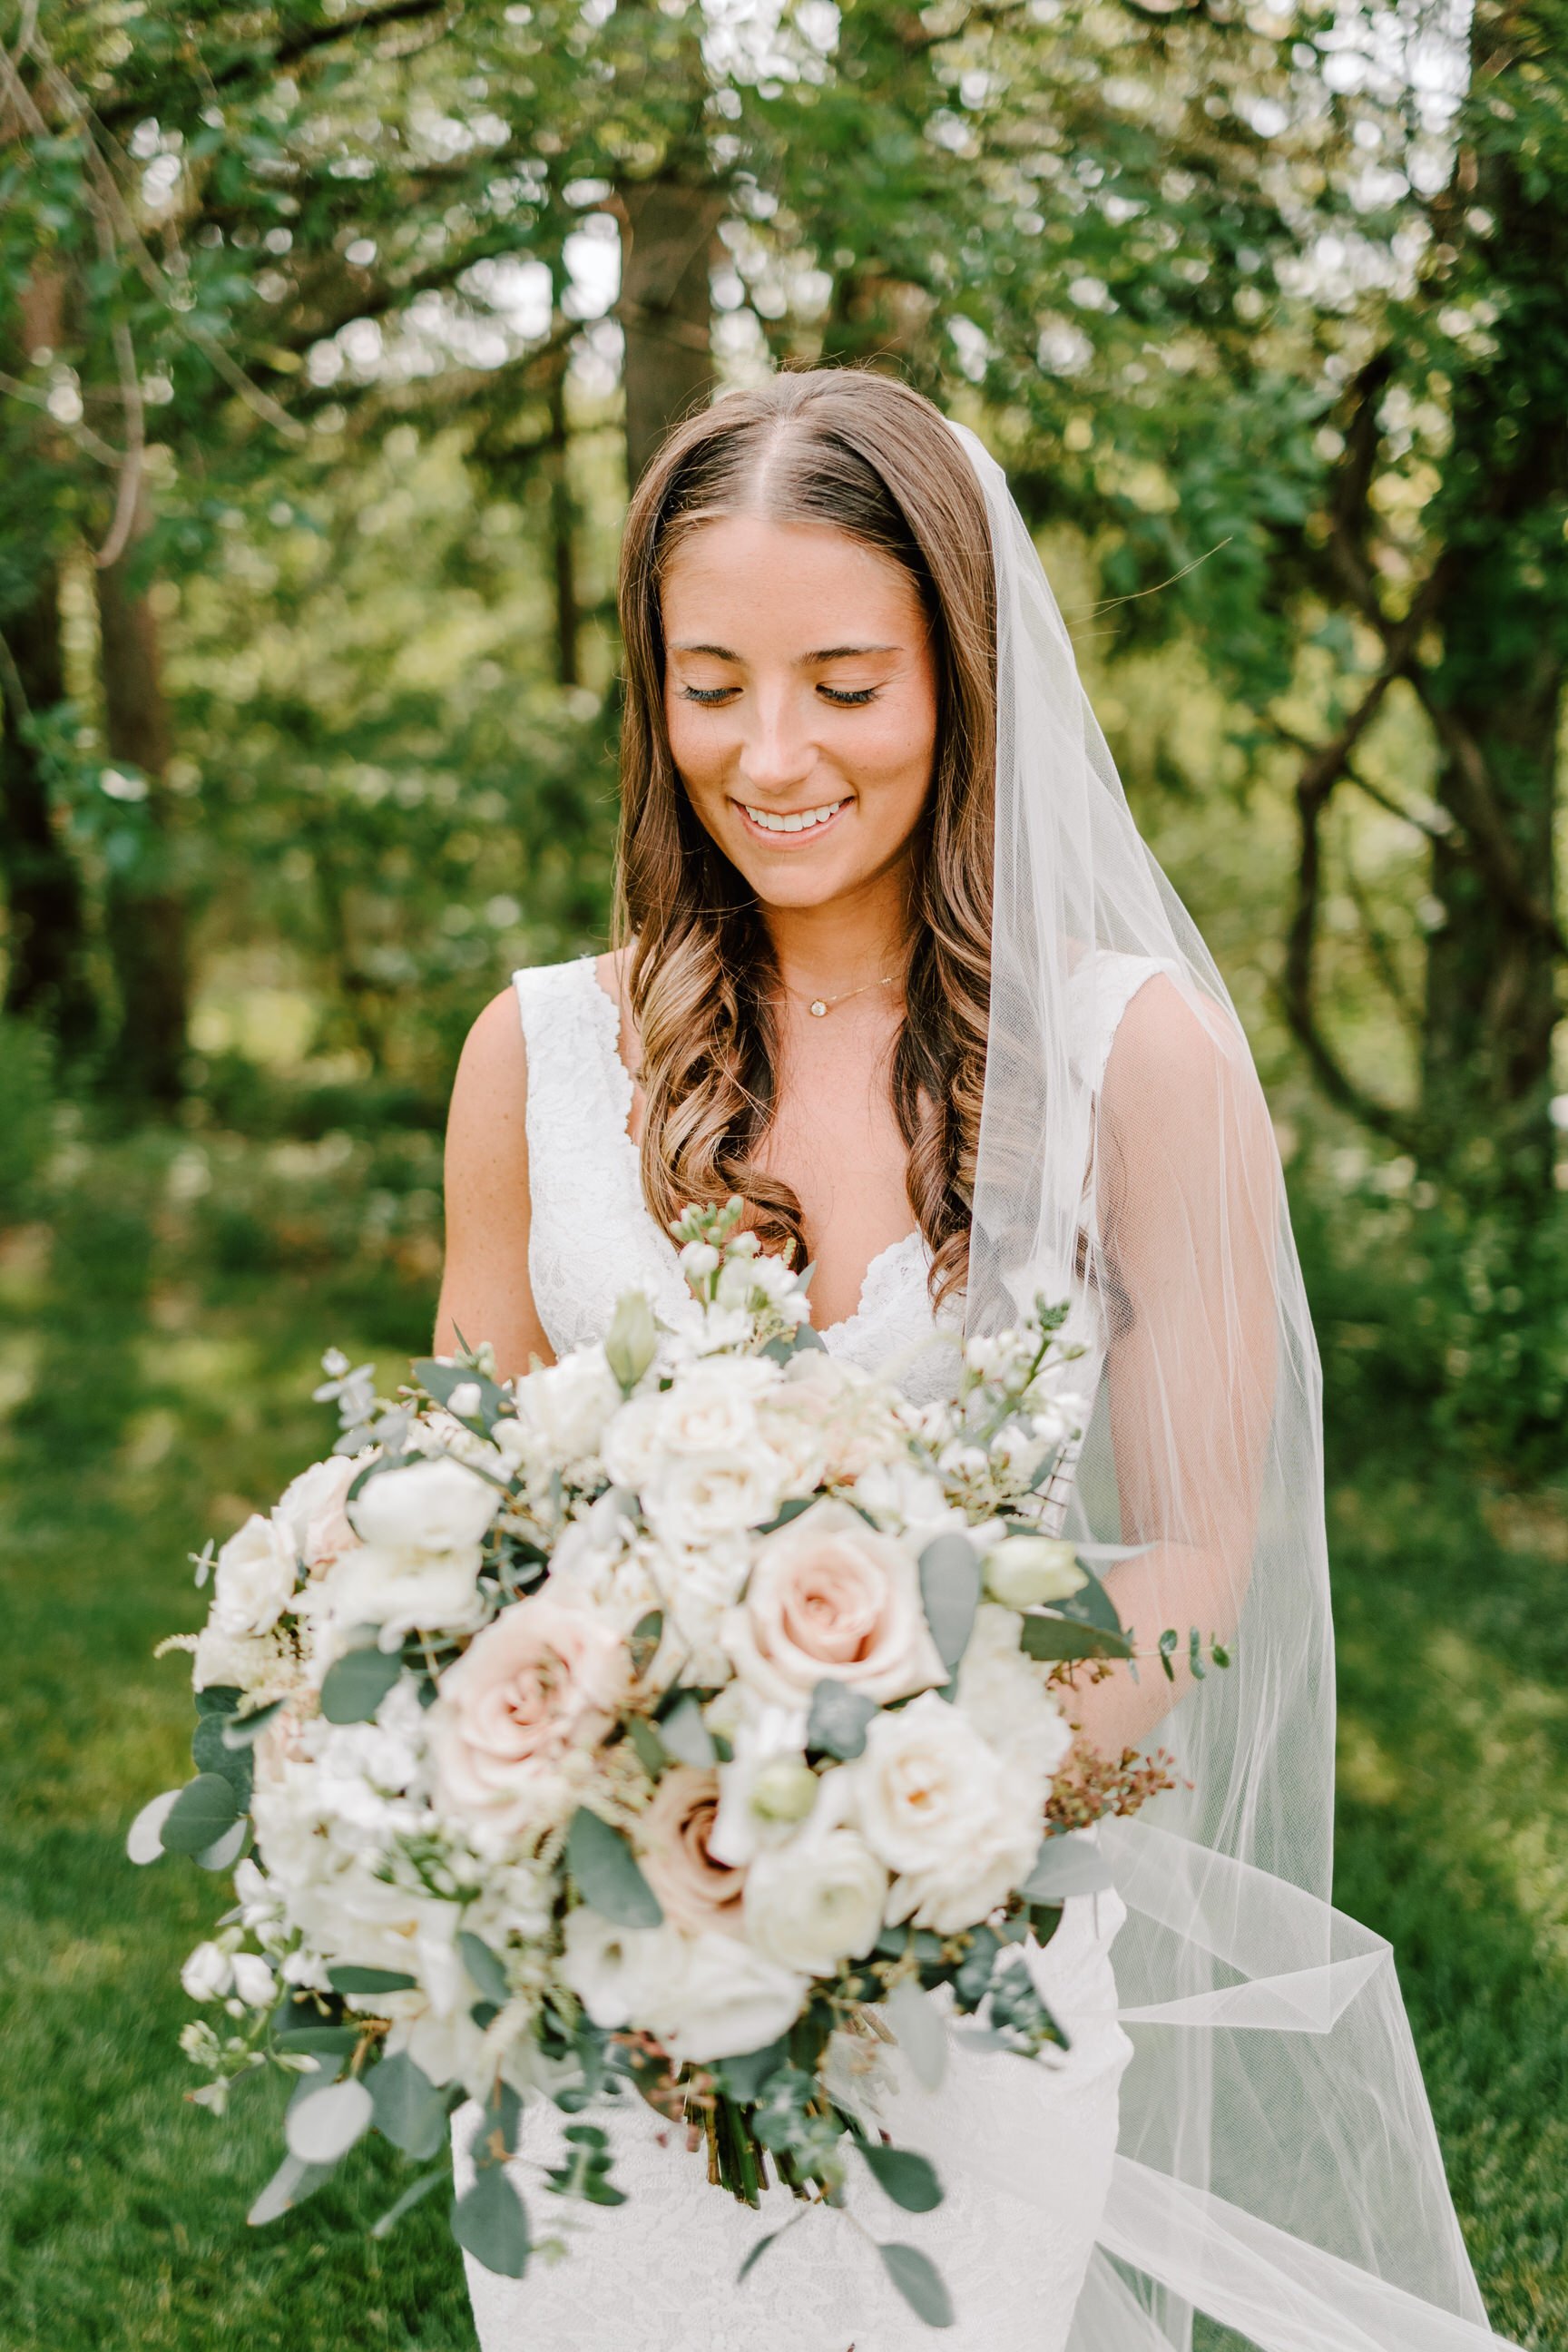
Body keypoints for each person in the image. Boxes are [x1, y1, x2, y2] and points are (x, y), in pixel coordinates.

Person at [436, 370, 1519, 2352]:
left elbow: (1201, 1559)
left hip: (971, 1939)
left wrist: (913, 1826)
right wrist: (620, 1845)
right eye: (711, 683)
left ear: (964, 673)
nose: (771, 753)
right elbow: (460, 1533)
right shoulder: (535, 1059)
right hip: (607, 1971)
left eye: (847, 684)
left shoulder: (1137, 1062)